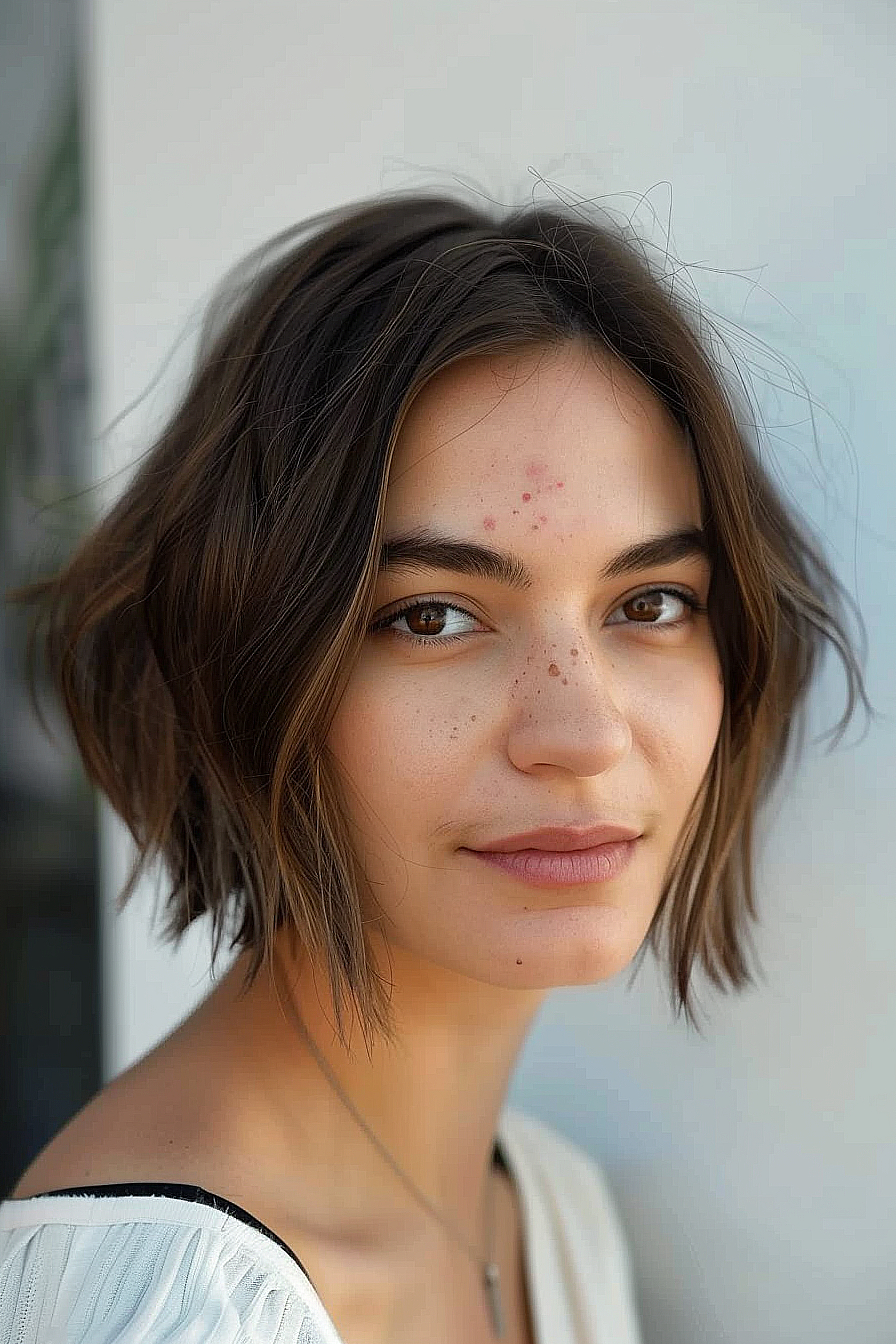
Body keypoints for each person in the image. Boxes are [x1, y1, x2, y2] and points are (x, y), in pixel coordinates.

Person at [0, 189, 872, 1344]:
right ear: (246, 661)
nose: (581, 732)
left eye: (651, 602)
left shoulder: (549, 1213)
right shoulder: (173, 1301)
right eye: (431, 617)